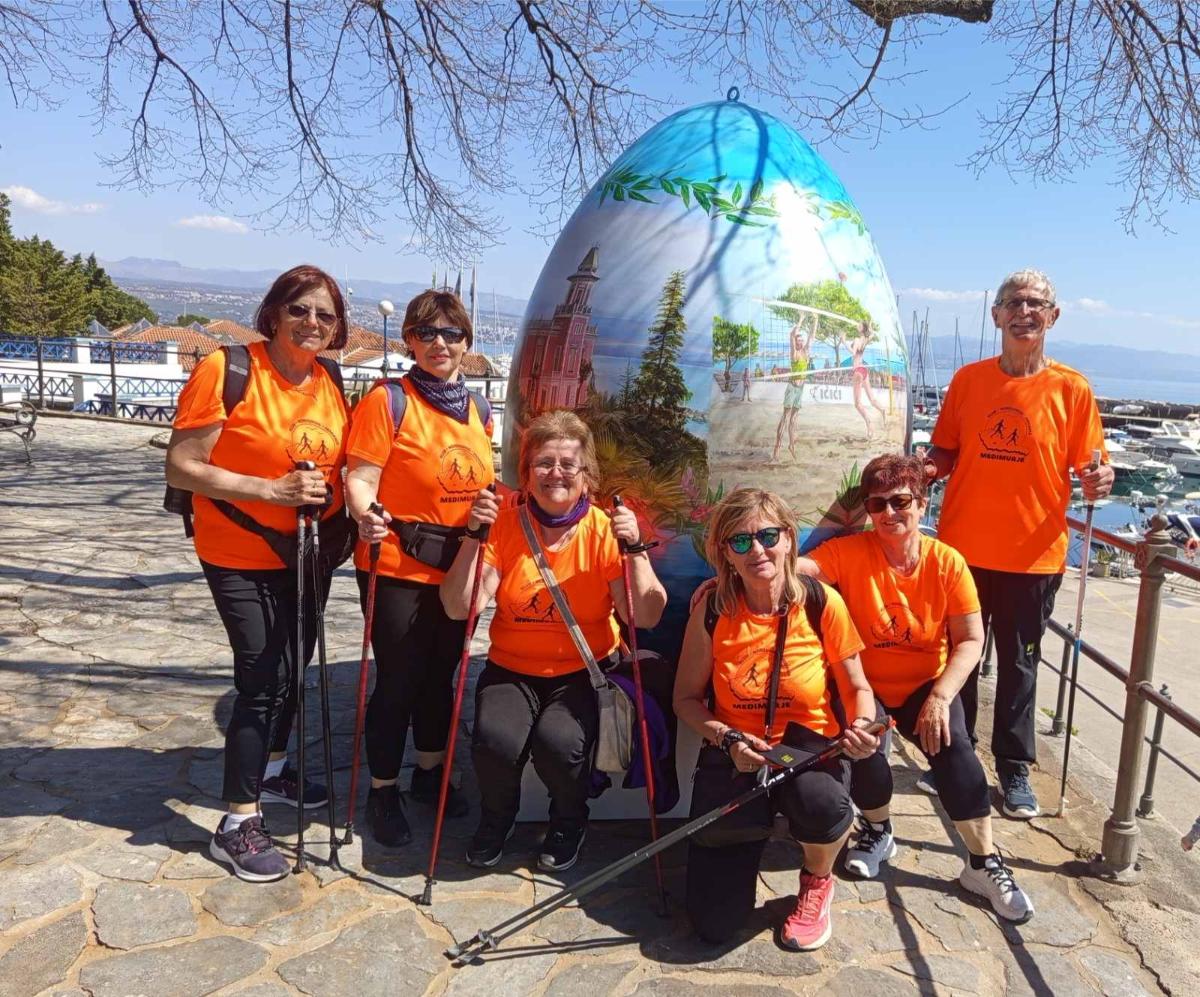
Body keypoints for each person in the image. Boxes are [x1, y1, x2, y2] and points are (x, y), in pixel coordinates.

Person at [166, 265, 351, 882]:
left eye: (325, 314)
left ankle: (271, 771)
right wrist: (270, 489)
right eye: (300, 309)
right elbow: (182, 466)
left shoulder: (329, 378)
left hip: (306, 552)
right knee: (262, 677)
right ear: (273, 312)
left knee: (294, 668)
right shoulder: (229, 369)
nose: (312, 322)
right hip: (238, 551)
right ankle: (237, 823)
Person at [800, 454, 1034, 922]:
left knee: (956, 748)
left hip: (927, 683)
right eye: (877, 504)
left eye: (901, 501)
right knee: (863, 741)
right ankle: (878, 829)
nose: (889, 513)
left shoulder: (947, 563)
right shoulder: (850, 552)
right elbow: (801, 570)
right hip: (868, 683)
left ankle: (982, 862)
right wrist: (734, 579)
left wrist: (942, 697)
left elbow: (971, 639)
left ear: (922, 504)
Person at [441, 410, 667, 871]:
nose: (555, 474)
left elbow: (643, 615)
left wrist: (635, 550)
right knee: (495, 741)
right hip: (512, 667)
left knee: (559, 743)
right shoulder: (505, 525)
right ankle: (497, 818)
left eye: (568, 464)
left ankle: (568, 820)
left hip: (583, 671)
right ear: (526, 473)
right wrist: (471, 538)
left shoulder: (603, 530)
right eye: (544, 463)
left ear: (587, 475)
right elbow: (459, 607)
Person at [924, 269, 1113, 818]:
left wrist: (1101, 480)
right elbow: (945, 450)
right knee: (957, 656)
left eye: (1035, 303)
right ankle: (956, 757)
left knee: (1020, 663)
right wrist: (922, 471)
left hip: (1034, 556)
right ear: (996, 315)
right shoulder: (968, 380)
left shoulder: (1072, 389)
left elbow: (1094, 467)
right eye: (1013, 303)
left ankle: (1013, 767)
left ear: (1053, 316)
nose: (1024, 312)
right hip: (961, 550)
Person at [674, 488, 878, 951]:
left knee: (822, 805)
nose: (757, 550)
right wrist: (727, 738)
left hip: (807, 748)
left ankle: (818, 879)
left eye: (767, 536)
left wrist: (863, 727)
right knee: (713, 925)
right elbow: (685, 699)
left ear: (788, 538)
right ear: (725, 553)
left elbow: (857, 689)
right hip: (737, 751)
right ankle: (747, 837)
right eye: (740, 541)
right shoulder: (712, 610)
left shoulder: (822, 603)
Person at [345, 290, 495, 847]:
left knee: (440, 678)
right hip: (396, 563)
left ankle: (430, 776)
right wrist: (365, 515)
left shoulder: (479, 410)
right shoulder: (388, 402)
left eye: (451, 334)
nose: (440, 343)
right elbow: (360, 478)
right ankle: (382, 791)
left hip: (457, 567)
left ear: (466, 342)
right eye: (426, 333)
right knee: (399, 681)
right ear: (409, 339)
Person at [772, 313, 818, 464]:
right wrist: (801, 319)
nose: (801, 342)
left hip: (800, 388)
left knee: (794, 419)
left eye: (801, 340)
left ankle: (791, 446)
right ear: (796, 343)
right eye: (798, 341)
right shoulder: (795, 354)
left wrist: (816, 319)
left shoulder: (806, 352)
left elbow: (812, 336)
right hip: (792, 387)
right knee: (785, 418)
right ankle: (777, 449)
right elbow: (792, 334)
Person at [841, 320, 887, 437]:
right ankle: (882, 410)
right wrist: (870, 328)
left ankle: (869, 423)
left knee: (857, 404)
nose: (857, 324)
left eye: (860, 324)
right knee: (872, 399)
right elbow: (872, 334)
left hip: (857, 371)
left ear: (862, 328)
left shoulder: (857, 340)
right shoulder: (865, 339)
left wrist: (844, 342)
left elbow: (853, 353)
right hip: (864, 370)